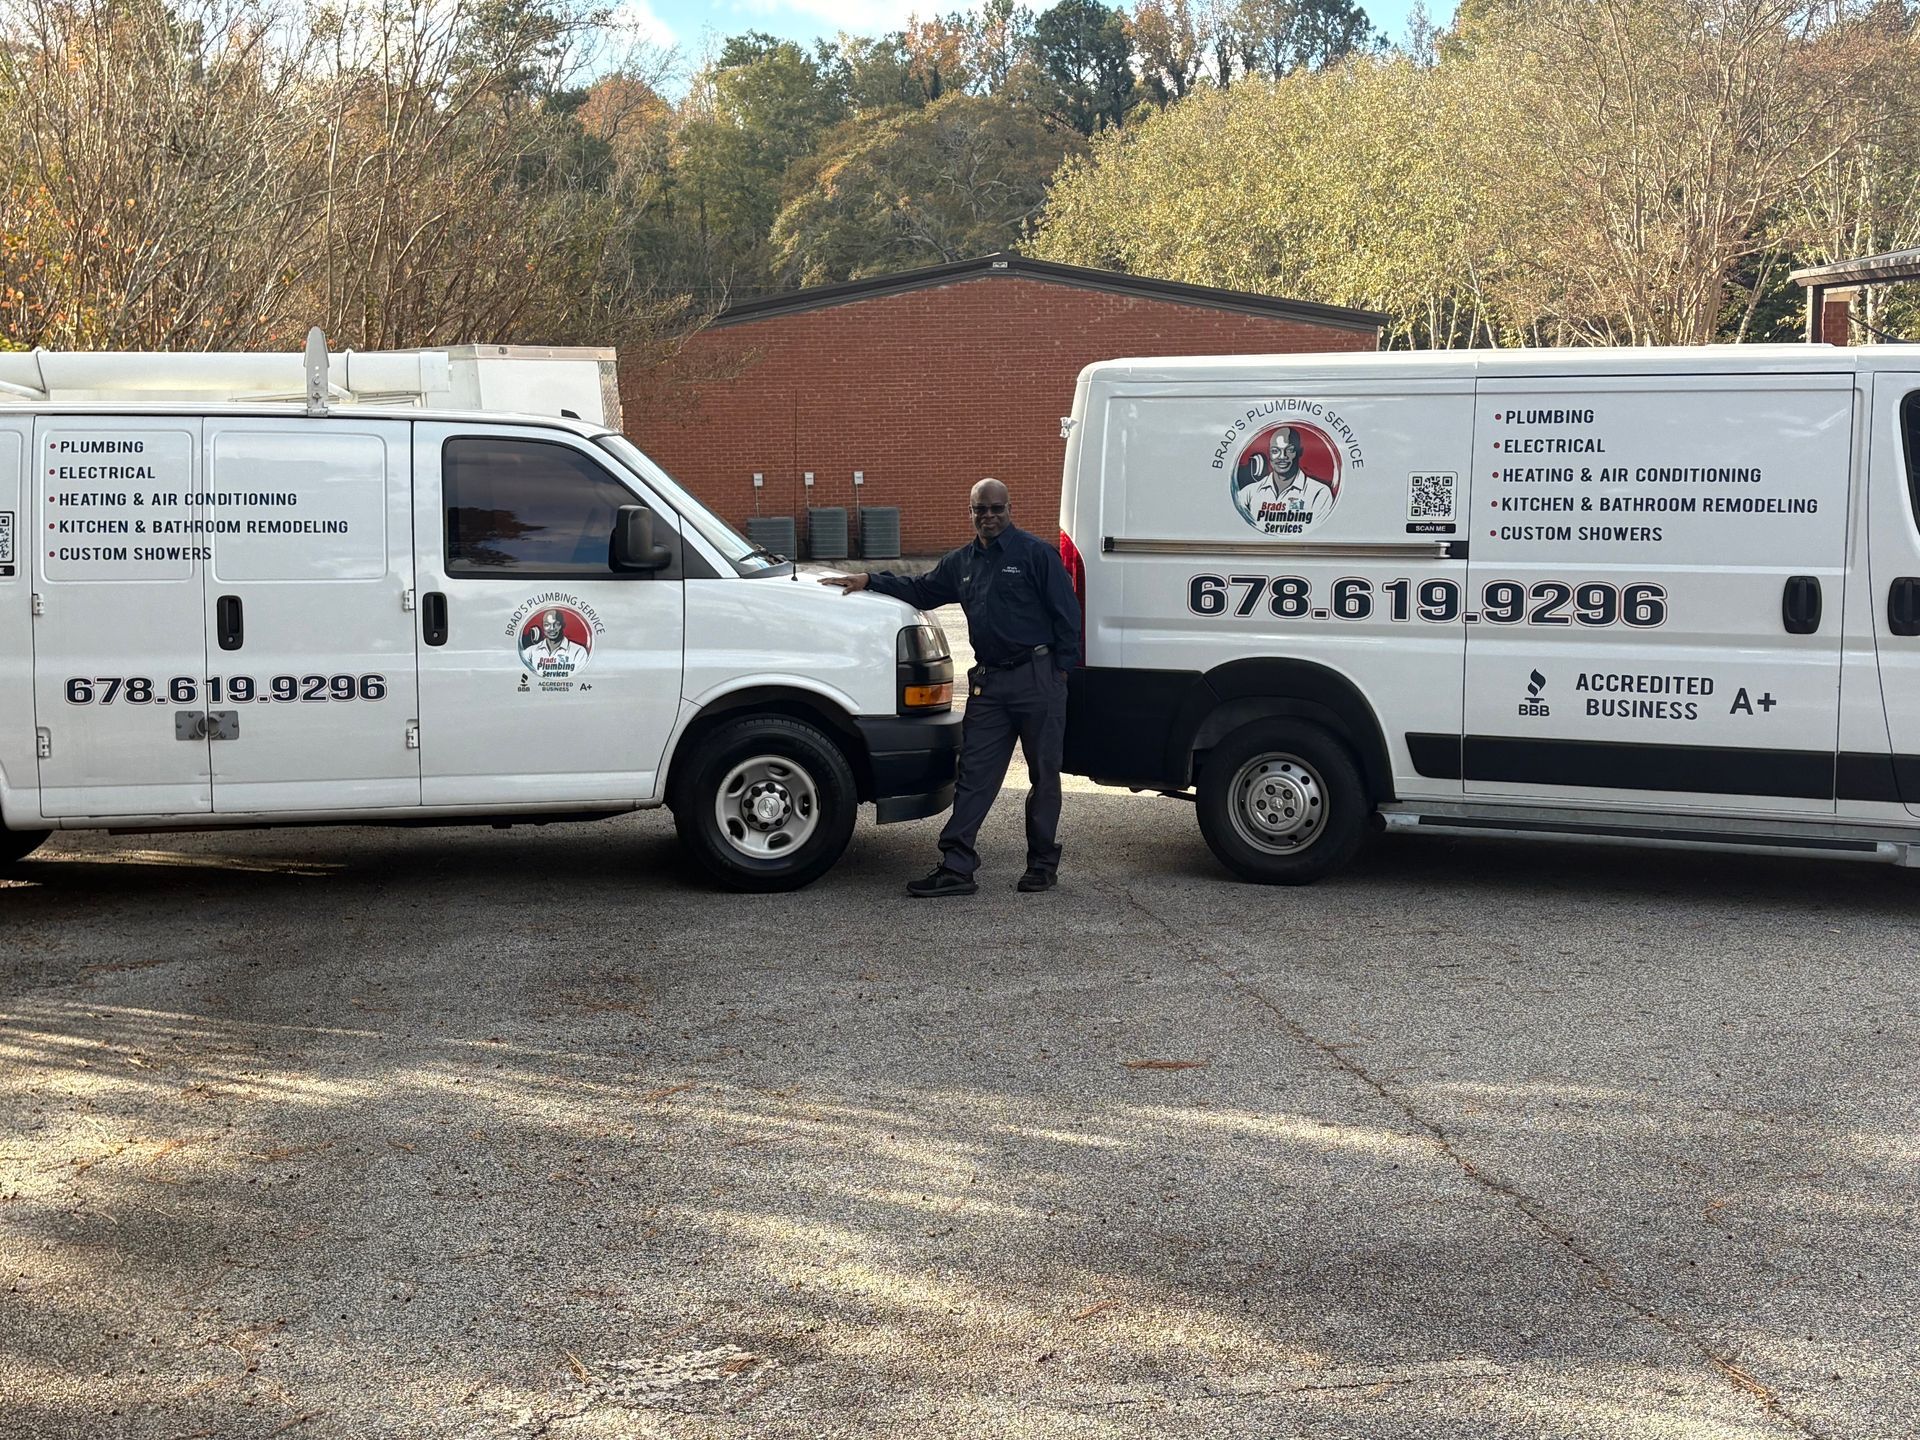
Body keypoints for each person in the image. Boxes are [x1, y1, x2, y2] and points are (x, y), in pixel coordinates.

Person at [820, 478, 1081, 897]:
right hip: (990, 684)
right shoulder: (961, 563)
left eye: (996, 508)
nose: (989, 516)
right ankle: (957, 867)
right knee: (974, 774)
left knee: (1044, 775)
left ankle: (1042, 864)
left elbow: (1067, 617)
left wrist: (1059, 673)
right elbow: (921, 589)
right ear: (971, 512)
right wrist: (870, 579)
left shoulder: (1036, 555)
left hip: (1038, 679)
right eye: (981, 509)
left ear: (1009, 509)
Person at [1236, 425, 1335, 531]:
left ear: (1299, 452)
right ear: (1269, 454)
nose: (1282, 456)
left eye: (1289, 450)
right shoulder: (1248, 493)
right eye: (1275, 451)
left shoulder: (1319, 493)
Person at [521, 609, 588, 676]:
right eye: (547, 625)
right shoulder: (530, 652)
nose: (552, 628)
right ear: (543, 626)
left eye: (556, 624)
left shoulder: (579, 652)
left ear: (563, 625)